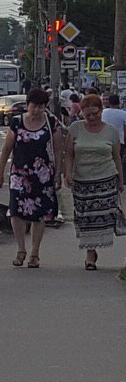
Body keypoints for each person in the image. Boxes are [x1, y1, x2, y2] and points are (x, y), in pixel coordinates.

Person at [0, 88, 63, 268]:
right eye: (34, 106)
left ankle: (34, 253)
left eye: (41, 106)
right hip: (19, 174)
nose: (37, 110)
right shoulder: (17, 122)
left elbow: (58, 149)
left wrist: (58, 174)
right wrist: (0, 173)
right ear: (27, 105)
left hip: (42, 175)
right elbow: (6, 148)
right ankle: (20, 249)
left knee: (39, 215)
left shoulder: (51, 122)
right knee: (16, 212)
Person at [62, 94, 122, 270]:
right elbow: (69, 154)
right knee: (85, 219)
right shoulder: (75, 129)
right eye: (87, 114)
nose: (92, 118)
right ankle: (90, 249)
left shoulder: (111, 131)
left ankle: (90, 255)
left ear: (101, 111)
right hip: (82, 181)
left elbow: (116, 156)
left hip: (106, 180)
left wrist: (121, 179)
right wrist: (68, 174)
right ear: (81, 113)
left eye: (95, 113)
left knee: (102, 218)